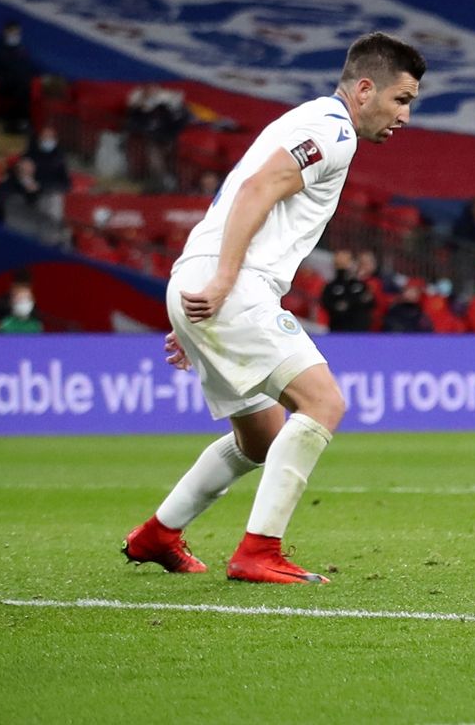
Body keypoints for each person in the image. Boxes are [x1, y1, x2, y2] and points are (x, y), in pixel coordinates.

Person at [122, 32, 424, 584]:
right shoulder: (332, 132)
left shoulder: (309, 120)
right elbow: (258, 189)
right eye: (401, 100)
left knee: (259, 438)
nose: (406, 116)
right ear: (364, 89)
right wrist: (224, 284)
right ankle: (259, 551)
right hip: (231, 283)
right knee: (323, 403)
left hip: (202, 280)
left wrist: (198, 317)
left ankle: (158, 535)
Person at [0, 21, 40, 131]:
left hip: (22, 82)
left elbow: (29, 67)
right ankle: (17, 121)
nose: (15, 36)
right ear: (5, 32)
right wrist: (5, 78)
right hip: (4, 84)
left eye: (17, 33)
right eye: (12, 33)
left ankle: (30, 121)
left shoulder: (22, 49)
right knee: (23, 88)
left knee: (32, 86)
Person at [321, 248, 375, 333]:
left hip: (360, 330)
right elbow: (326, 303)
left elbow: (370, 302)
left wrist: (349, 303)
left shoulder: (360, 285)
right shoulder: (331, 286)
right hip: (338, 328)